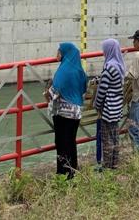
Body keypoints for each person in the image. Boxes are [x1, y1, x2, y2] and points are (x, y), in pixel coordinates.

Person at [44, 43, 88, 179]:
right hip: (76, 112)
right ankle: (72, 171)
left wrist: (46, 91)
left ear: (65, 53)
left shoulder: (63, 71)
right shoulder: (79, 70)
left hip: (62, 113)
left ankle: (62, 172)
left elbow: (52, 94)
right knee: (71, 141)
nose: (57, 54)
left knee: (61, 142)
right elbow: (84, 90)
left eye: (59, 52)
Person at [93, 39, 125, 169]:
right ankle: (115, 164)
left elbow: (102, 90)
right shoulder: (119, 65)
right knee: (115, 136)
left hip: (108, 108)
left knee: (106, 138)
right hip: (117, 106)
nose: (103, 52)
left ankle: (106, 166)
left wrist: (96, 104)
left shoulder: (109, 67)